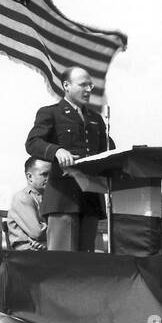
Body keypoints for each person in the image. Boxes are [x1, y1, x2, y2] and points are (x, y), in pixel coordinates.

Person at [25, 65, 112, 252]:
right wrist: (56, 151)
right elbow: (32, 142)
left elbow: (108, 151)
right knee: (63, 262)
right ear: (66, 85)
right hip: (63, 200)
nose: (88, 89)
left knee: (87, 263)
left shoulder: (97, 119)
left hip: (90, 200)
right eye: (83, 85)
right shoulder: (51, 113)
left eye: (91, 85)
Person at [5, 157, 51, 251]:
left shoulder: (46, 197)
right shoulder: (23, 197)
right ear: (30, 177)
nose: (49, 178)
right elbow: (37, 232)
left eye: (51, 174)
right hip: (25, 253)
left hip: (42, 249)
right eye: (44, 174)